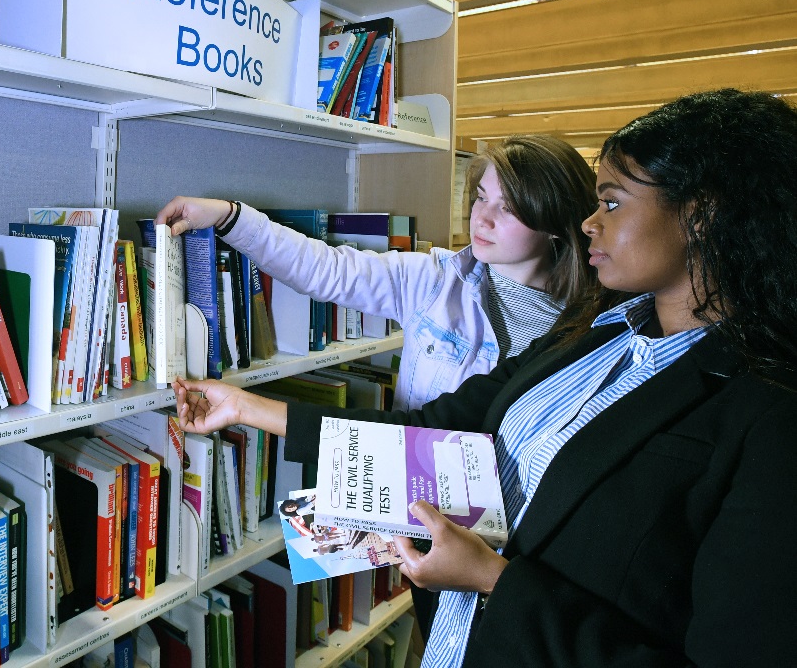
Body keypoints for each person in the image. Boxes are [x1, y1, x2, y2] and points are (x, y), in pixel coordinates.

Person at [171, 88, 797, 666]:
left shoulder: (764, 416)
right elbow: (435, 426)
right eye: (480, 198)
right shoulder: (594, 334)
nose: (591, 222)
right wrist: (245, 406)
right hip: (451, 626)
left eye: (611, 202)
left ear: (702, 216)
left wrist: (495, 581)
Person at [157, 134, 597, 636]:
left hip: (520, 552)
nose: (483, 218)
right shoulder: (436, 281)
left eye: (510, 208)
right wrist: (229, 217)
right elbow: (324, 270)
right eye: (480, 198)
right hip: (427, 536)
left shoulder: (585, 336)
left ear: (557, 226)